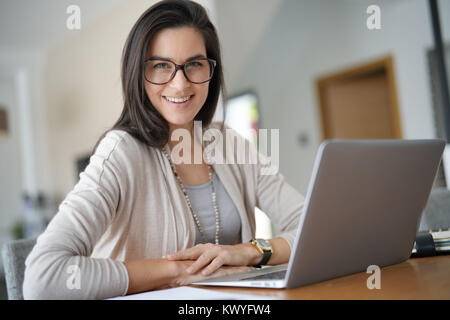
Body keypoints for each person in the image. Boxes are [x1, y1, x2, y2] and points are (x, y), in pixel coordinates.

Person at [23, 0, 305, 299]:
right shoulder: (119, 153)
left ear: (211, 69)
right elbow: (43, 278)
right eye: (161, 66)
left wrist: (249, 252)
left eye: (195, 64)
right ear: (138, 73)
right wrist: (180, 271)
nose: (180, 83)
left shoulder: (227, 143)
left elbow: (312, 231)